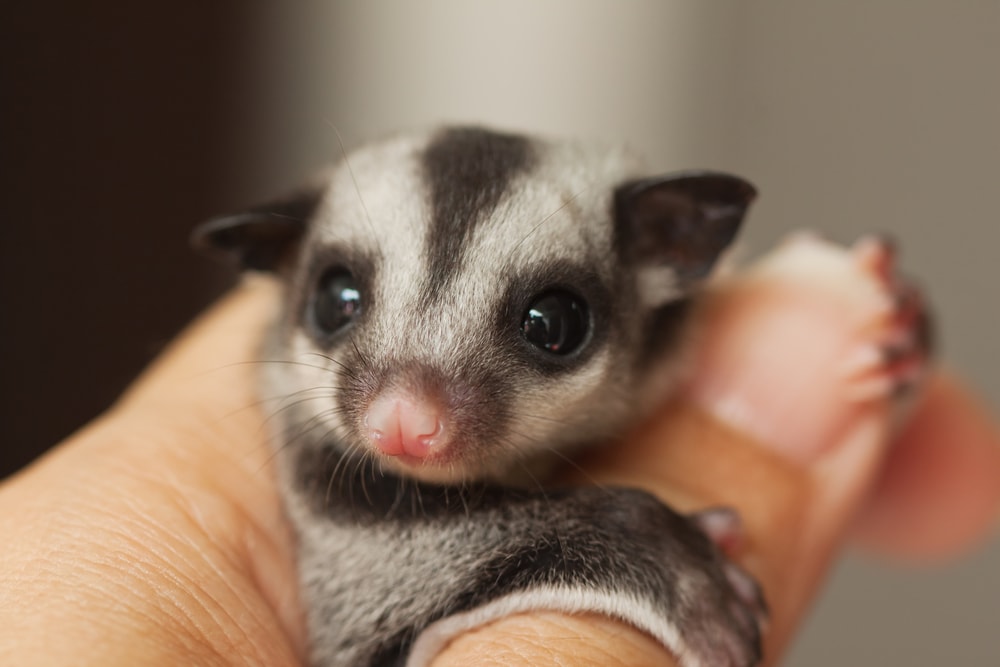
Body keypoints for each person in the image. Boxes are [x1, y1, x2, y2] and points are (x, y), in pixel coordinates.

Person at [1, 250, 998, 666]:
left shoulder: (671, 331)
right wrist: (624, 537)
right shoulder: (289, 439)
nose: (406, 417)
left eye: (544, 322)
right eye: (342, 304)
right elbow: (363, 617)